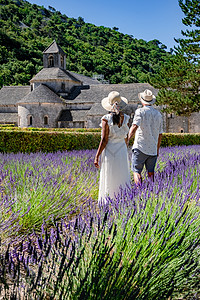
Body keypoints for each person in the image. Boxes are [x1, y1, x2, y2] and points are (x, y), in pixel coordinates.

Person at [94, 91, 131, 204]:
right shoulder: (126, 118)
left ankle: (108, 199)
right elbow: (126, 137)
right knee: (122, 174)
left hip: (110, 151)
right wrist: (125, 147)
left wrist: (97, 156)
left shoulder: (106, 119)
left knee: (109, 174)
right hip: (121, 150)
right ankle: (123, 199)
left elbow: (104, 140)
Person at [128, 89, 163, 186]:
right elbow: (160, 134)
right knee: (151, 173)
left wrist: (127, 139)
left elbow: (134, 126)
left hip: (140, 147)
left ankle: (139, 192)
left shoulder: (140, 111)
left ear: (142, 101)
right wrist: (157, 149)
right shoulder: (158, 114)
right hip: (152, 149)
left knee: (136, 171)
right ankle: (151, 192)